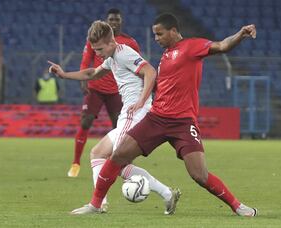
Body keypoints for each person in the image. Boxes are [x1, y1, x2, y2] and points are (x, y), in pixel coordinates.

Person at [78, 13, 258, 216]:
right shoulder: (165, 56)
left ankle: (238, 207)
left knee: (199, 175)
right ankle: (95, 205)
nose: (156, 39)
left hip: (182, 122)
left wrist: (240, 34)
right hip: (156, 118)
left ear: (173, 31)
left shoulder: (192, 46)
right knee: (118, 155)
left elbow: (222, 45)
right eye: (154, 35)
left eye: (159, 34)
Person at [48, 20, 181, 215]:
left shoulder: (124, 53)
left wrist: (141, 101)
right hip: (129, 113)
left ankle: (100, 204)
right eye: (94, 50)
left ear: (111, 42)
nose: (97, 54)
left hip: (134, 113)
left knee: (116, 162)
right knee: (97, 153)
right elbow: (92, 73)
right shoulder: (112, 58)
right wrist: (64, 74)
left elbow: (150, 72)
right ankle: (106, 203)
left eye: (100, 49)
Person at [68, 8, 142, 178]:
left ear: (121, 22)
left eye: (117, 19)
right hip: (95, 88)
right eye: (111, 19)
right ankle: (76, 163)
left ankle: (121, 163)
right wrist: (83, 79)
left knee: (120, 127)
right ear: (107, 21)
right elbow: (86, 61)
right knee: (86, 122)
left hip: (117, 91)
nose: (114, 22)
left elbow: (137, 67)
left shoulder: (130, 43)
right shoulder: (95, 39)